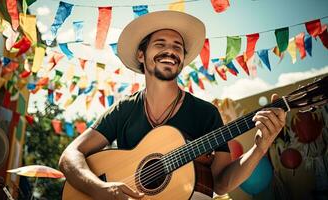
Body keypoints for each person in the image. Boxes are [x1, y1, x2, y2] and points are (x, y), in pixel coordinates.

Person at [59, 10, 286, 200]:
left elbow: (220, 184)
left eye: (178, 46)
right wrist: (99, 189)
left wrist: (260, 148)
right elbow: (70, 156)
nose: (170, 51)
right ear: (141, 54)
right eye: (160, 44)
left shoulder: (205, 114)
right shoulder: (123, 110)